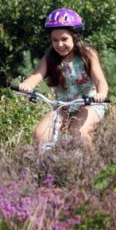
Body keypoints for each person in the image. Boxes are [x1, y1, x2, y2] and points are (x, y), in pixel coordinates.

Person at [17, 8, 109, 147]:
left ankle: (92, 166)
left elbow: (100, 81)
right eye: (55, 40)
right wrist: (27, 85)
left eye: (64, 39)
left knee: (78, 132)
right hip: (63, 108)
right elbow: (36, 76)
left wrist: (101, 94)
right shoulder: (50, 58)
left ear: (75, 36)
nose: (59, 44)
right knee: (40, 134)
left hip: (89, 104)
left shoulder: (88, 55)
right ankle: (46, 167)